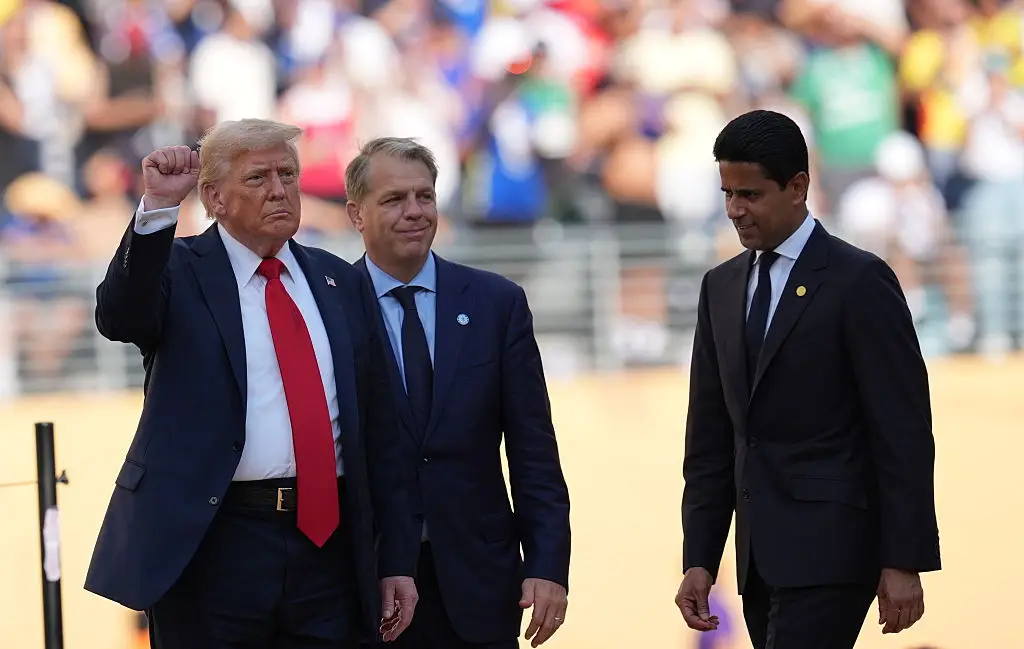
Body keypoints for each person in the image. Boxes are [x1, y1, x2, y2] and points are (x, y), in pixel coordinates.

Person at [84, 119, 420, 649]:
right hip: (214, 546)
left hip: (328, 549)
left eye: (288, 173)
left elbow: (383, 430)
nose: (279, 189)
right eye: (258, 177)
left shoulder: (341, 281)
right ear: (214, 198)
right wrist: (158, 209)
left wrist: (397, 559)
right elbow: (119, 317)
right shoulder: (177, 270)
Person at [674, 110, 941, 649]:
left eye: (750, 194)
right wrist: (700, 558)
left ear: (797, 187)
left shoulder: (859, 280)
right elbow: (710, 438)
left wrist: (904, 558)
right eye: (727, 193)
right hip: (756, 564)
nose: (734, 211)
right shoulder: (720, 287)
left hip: (833, 553)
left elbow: (902, 430)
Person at [344, 137, 572, 649]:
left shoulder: (497, 303)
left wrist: (547, 563)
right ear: (356, 214)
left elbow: (534, 448)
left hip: (482, 582)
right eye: (394, 199)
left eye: (425, 196)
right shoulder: (330, 308)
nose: (414, 212)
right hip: (367, 583)